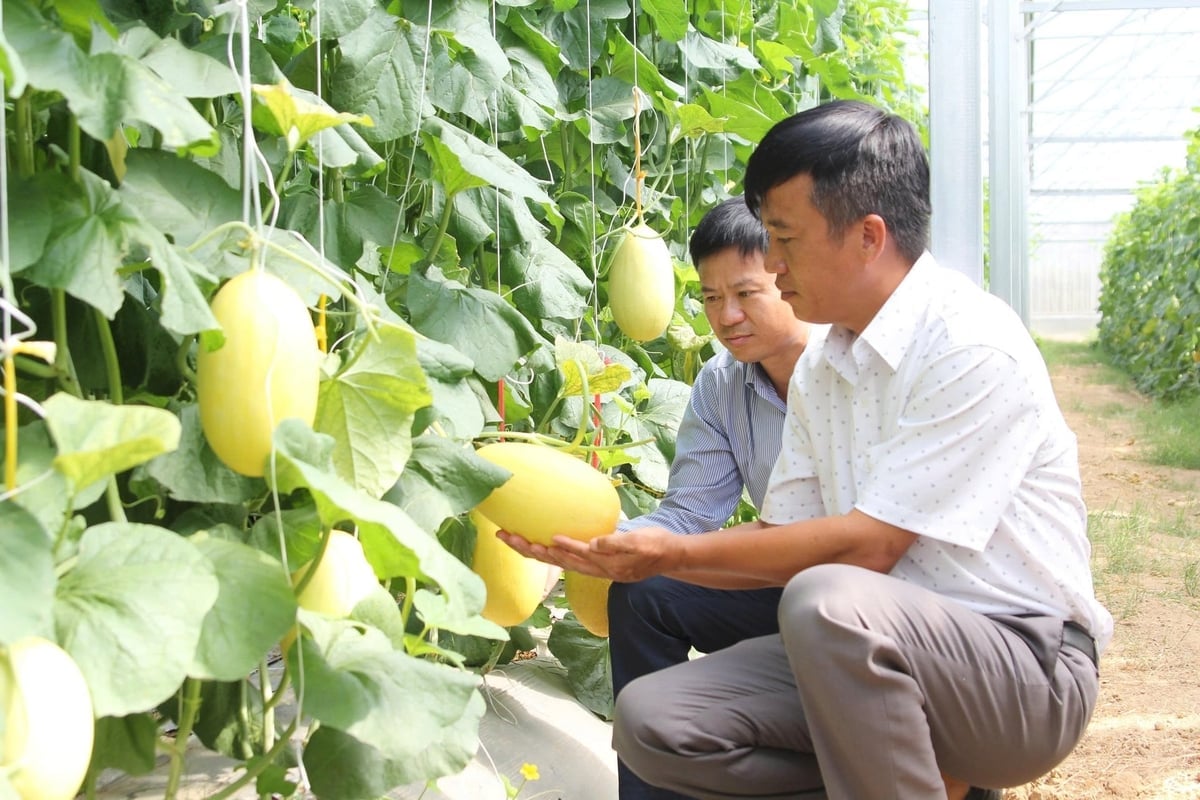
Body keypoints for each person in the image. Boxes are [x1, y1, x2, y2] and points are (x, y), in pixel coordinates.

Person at [499, 100, 1113, 800]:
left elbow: (866, 550)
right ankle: (903, 777)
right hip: (865, 653)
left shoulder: (969, 345)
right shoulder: (829, 363)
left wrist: (671, 554)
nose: (775, 263)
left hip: (1020, 674)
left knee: (825, 598)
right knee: (653, 721)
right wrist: (622, 553)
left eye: (784, 240)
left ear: (868, 236)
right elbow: (782, 538)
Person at [607, 196, 810, 800]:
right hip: (781, 577)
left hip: (865, 584)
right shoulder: (721, 382)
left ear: (790, 276)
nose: (726, 316)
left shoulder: (849, 365)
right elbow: (691, 513)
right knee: (643, 593)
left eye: (746, 293)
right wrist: (613, 544)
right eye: (710, 298)